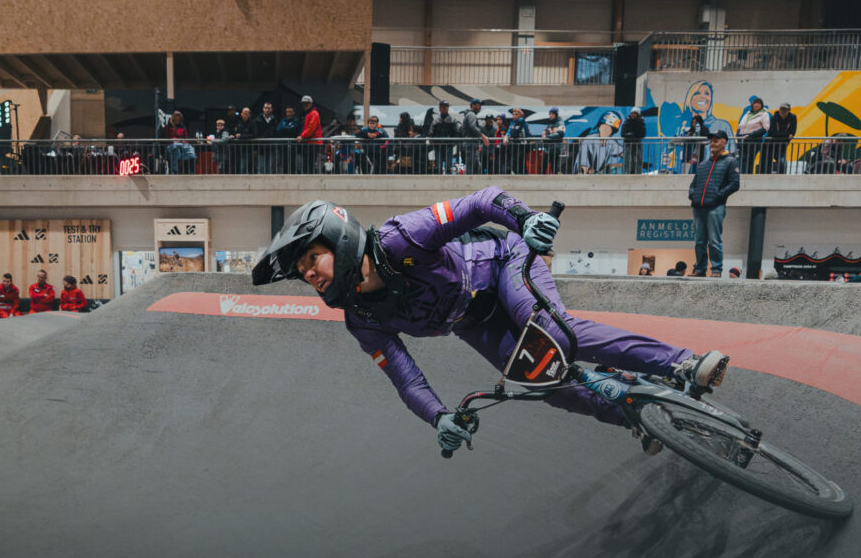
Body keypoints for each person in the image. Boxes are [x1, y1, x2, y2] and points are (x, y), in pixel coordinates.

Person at [250, 192, 731, 456]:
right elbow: (406, 379)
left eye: (312, 259)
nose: (309, 274)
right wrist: (438, 416)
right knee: (541, 381)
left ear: (338, 239)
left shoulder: (400, 238)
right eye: (301, 271)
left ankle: (683, 364)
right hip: (471, 321)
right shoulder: (362, 318)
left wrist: (524, 219)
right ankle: (634, 417)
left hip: (503, 264)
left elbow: (478, 204)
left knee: (553, 334)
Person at [688, 131, 738, 277]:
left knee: (714, 240)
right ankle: (700, 268)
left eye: (716, 141)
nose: (712, 144)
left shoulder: (730, 161)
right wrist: (693, 196)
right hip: (699, 207)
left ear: (724, 142)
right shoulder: (703, 164)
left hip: (715, 207)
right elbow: (694, 184)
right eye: (711, 141)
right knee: (699, 241)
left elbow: (735, 184)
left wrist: (718, 196)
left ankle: (716, 269)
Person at [737, 96, 770, 174]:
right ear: (752, 105)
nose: (756, 105)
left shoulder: (764, 114)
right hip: (743, 139)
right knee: (742, 159)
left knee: (749, 160)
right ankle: (742, 175)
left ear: (762, 105)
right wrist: (738, 136)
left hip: (754, 140)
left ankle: (748, 176)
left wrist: (751, 135)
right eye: (755, 103)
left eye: (758, 103)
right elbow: (740, 125)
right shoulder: (747, 113)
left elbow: (765, 128)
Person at [765, 102, 797, 174]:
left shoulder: (792, 118)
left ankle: (782, 176)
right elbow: (772, 133)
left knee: (782, 162)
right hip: (770, 144)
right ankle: (766, 176)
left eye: (785, 110)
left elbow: (793, 133)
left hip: (783, 144)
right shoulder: (774, 118)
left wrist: (782, 136)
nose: (783, 111)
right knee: (767, 162)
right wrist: (787, 135)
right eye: (782, 109)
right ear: (779, 110)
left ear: (789, 110)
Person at [297, 97, 323, 174]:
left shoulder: (314, 114)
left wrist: (302, 136)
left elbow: (311, 128)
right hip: (309, 142)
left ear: (311, 104)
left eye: (307, 103)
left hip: (312, 143)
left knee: (309, 164)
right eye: (304, 104)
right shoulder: (308, 114)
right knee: (307, 163)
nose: (305, 105)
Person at [620, 107, 647, 173]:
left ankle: (637, 173)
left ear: (638, 114)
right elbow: (623, 133)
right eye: (632, 113)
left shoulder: (641, 123)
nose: (633, 114)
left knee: (638, 160)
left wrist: (633, 135)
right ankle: (627, 173)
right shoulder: (627, 122)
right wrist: (631, 135)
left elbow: (642, 134)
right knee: (627, 160)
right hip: (628, 144)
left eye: (635, 113)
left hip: (637, 144)